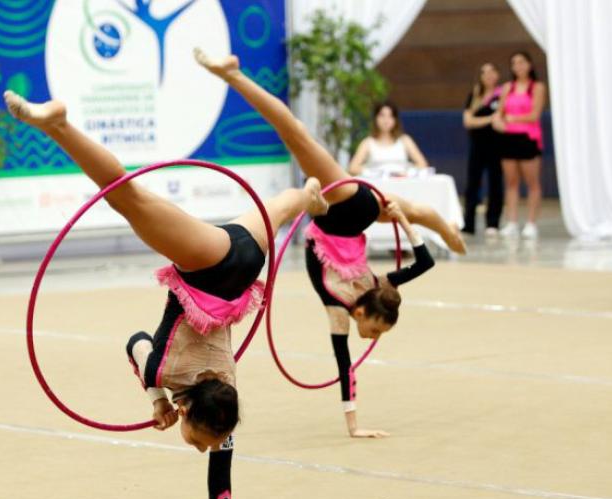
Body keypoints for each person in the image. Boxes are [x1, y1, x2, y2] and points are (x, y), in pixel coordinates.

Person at [4, 90, 329, 499]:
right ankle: (58, 124)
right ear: (189, 412)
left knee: (277, 207)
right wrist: (155, 396)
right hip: (207, 265)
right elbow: (136, 342)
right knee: (127, 197)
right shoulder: (165, 371)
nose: (203, 448)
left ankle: (309, 194)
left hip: (245, 262)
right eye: (201, 443)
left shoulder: (226, 402)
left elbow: (221, 483)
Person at [195, 48, 465, 438]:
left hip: (345, 213)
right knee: (295, 134)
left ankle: (447, 231)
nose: (372, 338)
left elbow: (345, 364)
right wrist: (402, 221)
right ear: (364, 313)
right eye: (375, 330)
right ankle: (232, 74)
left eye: (376, 336)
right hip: (345, 207)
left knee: (415, 210)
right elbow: (425, 264)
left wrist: (354, 425)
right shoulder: (363, 296)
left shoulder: (368, 293)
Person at [493, 51, 547, 240]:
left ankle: (531, 223)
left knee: (532, 183)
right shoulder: (508, 87)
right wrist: (498, 122)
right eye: (514, 63)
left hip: (528, 138)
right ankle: (512, 222)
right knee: (511, 182)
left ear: (529, 64)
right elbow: (500, 113)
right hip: (509, 138)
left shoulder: (537, 87)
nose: (518, 66)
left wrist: (513, 119)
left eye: (522, 62)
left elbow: (534, 115)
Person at [462, 62, 504, 236]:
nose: (488, 75)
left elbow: (501, 118)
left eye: (492, 71)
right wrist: (489, 119)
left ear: (497, 74)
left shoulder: (502, 94)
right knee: (472, 184)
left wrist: (488, 120)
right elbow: (468, 121)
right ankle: (469, 223)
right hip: (477, 146)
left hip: (496, 146)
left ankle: (493, 223)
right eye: (484, 72)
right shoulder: (474, 95)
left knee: (495, 184)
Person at [348, 100, 428, 176]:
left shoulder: (405, 140)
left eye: (390, 116)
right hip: (377, 183)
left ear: (395, 120)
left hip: (402, 182)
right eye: (382, 116)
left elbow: (422, 164)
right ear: (375, 118)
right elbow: (352, 168)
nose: (386, 120)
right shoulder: (367, 143)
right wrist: (372, 172)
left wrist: (407, 172)